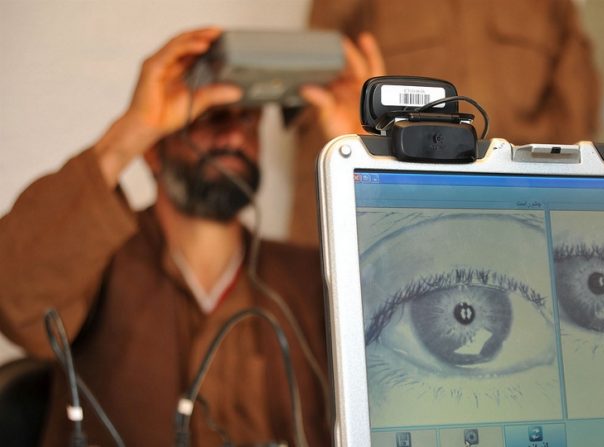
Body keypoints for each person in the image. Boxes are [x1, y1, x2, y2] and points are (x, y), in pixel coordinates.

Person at [0, 27, 371, 447]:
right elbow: (14, 298)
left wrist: (365, 155)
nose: (234, 136)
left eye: (248, 118)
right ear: (153, 150)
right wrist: (130, 132)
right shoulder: (97, 262)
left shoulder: (314, 276)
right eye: (211, 117)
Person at [288, 0, 602, 246]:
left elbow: (575, 119)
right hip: (402, 220)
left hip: (522, 217)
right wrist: (321, 264)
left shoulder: (551, 7)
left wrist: (573, 228)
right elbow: (321, 116)